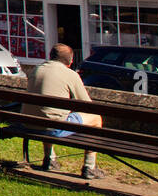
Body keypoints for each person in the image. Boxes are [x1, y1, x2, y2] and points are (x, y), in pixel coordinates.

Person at [29, 43, 104, 179]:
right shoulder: (70, 74)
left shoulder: (36, 70)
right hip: (53, 128)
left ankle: (49, 158)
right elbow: (87, 105)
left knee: (46, 113)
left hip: (29, 124)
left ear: (50, 57)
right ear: (70, 62)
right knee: (96, 118)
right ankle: (90, 166)